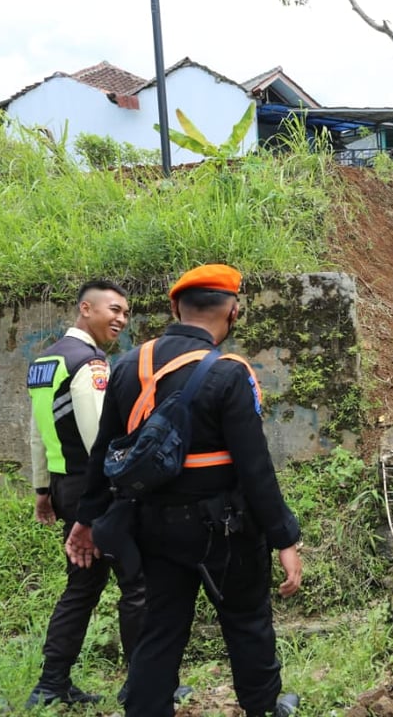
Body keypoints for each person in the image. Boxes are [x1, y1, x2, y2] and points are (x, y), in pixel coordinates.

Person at [65, 264, 303, 717]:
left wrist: (86, 519)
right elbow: (255, 468)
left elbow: (103, 454)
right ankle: (264, 708)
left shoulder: (128, 364)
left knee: (160, 628)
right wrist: (284, 538)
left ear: (175, 307)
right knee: (247, 623)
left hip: (153, 526)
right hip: (227, 531)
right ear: (233, 313)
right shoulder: (231, 372)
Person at [25, 280, 144, 708]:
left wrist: (43, 491)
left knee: (83, 584)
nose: (120, 319)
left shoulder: (45, 361)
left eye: (126, 313)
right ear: (85, 309)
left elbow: (39, 433)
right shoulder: (89, 364)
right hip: (95, 491)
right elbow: (103, 442)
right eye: (113, 309)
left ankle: (52, 683)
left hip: (64, 486)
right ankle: (142, 684)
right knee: (137, 583)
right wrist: (110, 501)